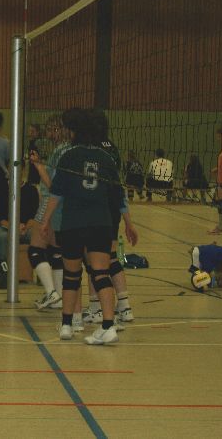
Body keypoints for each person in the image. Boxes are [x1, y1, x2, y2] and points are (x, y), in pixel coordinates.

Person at [39, 108, 125, 345]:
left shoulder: (69, 156)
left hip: (73, 223)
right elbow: (118, 196)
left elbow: (56, 192)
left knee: (71, 275)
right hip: (101, 223)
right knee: (101, 274)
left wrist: (45, 221)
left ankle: (67, 324)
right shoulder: (106, 158)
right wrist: (127, 222)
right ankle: (108, 326)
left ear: (74, 132)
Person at [83, 108, 139, 325]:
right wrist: (128, 221)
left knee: (94, 260)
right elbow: (119, 187)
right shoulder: (112, 148)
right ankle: (124, 306)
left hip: (96, 209)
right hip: (113, 209)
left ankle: (96, 308)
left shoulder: (90, 150)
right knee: (112, 257)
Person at [28, 114, 69, 311]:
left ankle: (52, 292)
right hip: (62, 206)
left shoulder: (60, 152)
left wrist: (38, 166)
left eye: (53, 129)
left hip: (50, 202)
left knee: (35, 249)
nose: (49, 133)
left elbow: (53, 185)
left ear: (61, 130)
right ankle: (58, 297)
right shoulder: (66, 150)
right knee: (55, 250)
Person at [0, 162, 39, 260]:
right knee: (2, 236)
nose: (15, 170)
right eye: (12, 167)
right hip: (7, 228)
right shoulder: (1, 189)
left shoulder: (32, 190)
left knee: (38, 235)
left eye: (19, 167)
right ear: (8, 169)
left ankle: (39, 265)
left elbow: (34, 216)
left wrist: (25, 228)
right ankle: (3, 267)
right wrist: (14, 228)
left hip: (26, 228)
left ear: (23, 170)